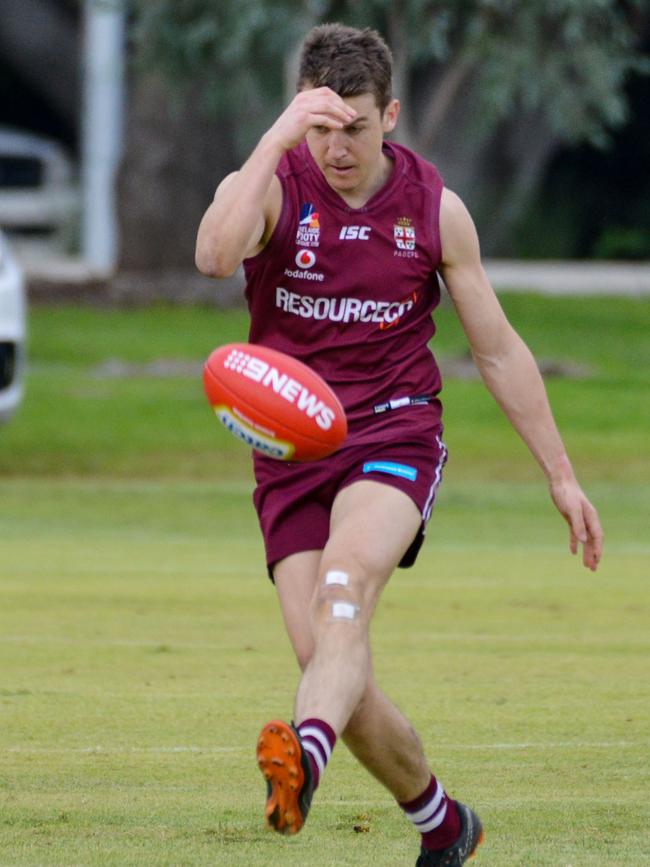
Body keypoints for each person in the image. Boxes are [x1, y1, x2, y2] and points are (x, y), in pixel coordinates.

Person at [195, 22, 603, 866]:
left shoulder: (432, 208)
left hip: (393, 430)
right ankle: (444, 824)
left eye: (355, 127)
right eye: (320, 127)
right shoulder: (276, 183)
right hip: (289, 450)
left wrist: (561, 475)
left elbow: (496, 348)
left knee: (343, 588)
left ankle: (303, 759)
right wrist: (276, 138)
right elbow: (211, 255)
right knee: (327, 658)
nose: (336, 149)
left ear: (391, 115)